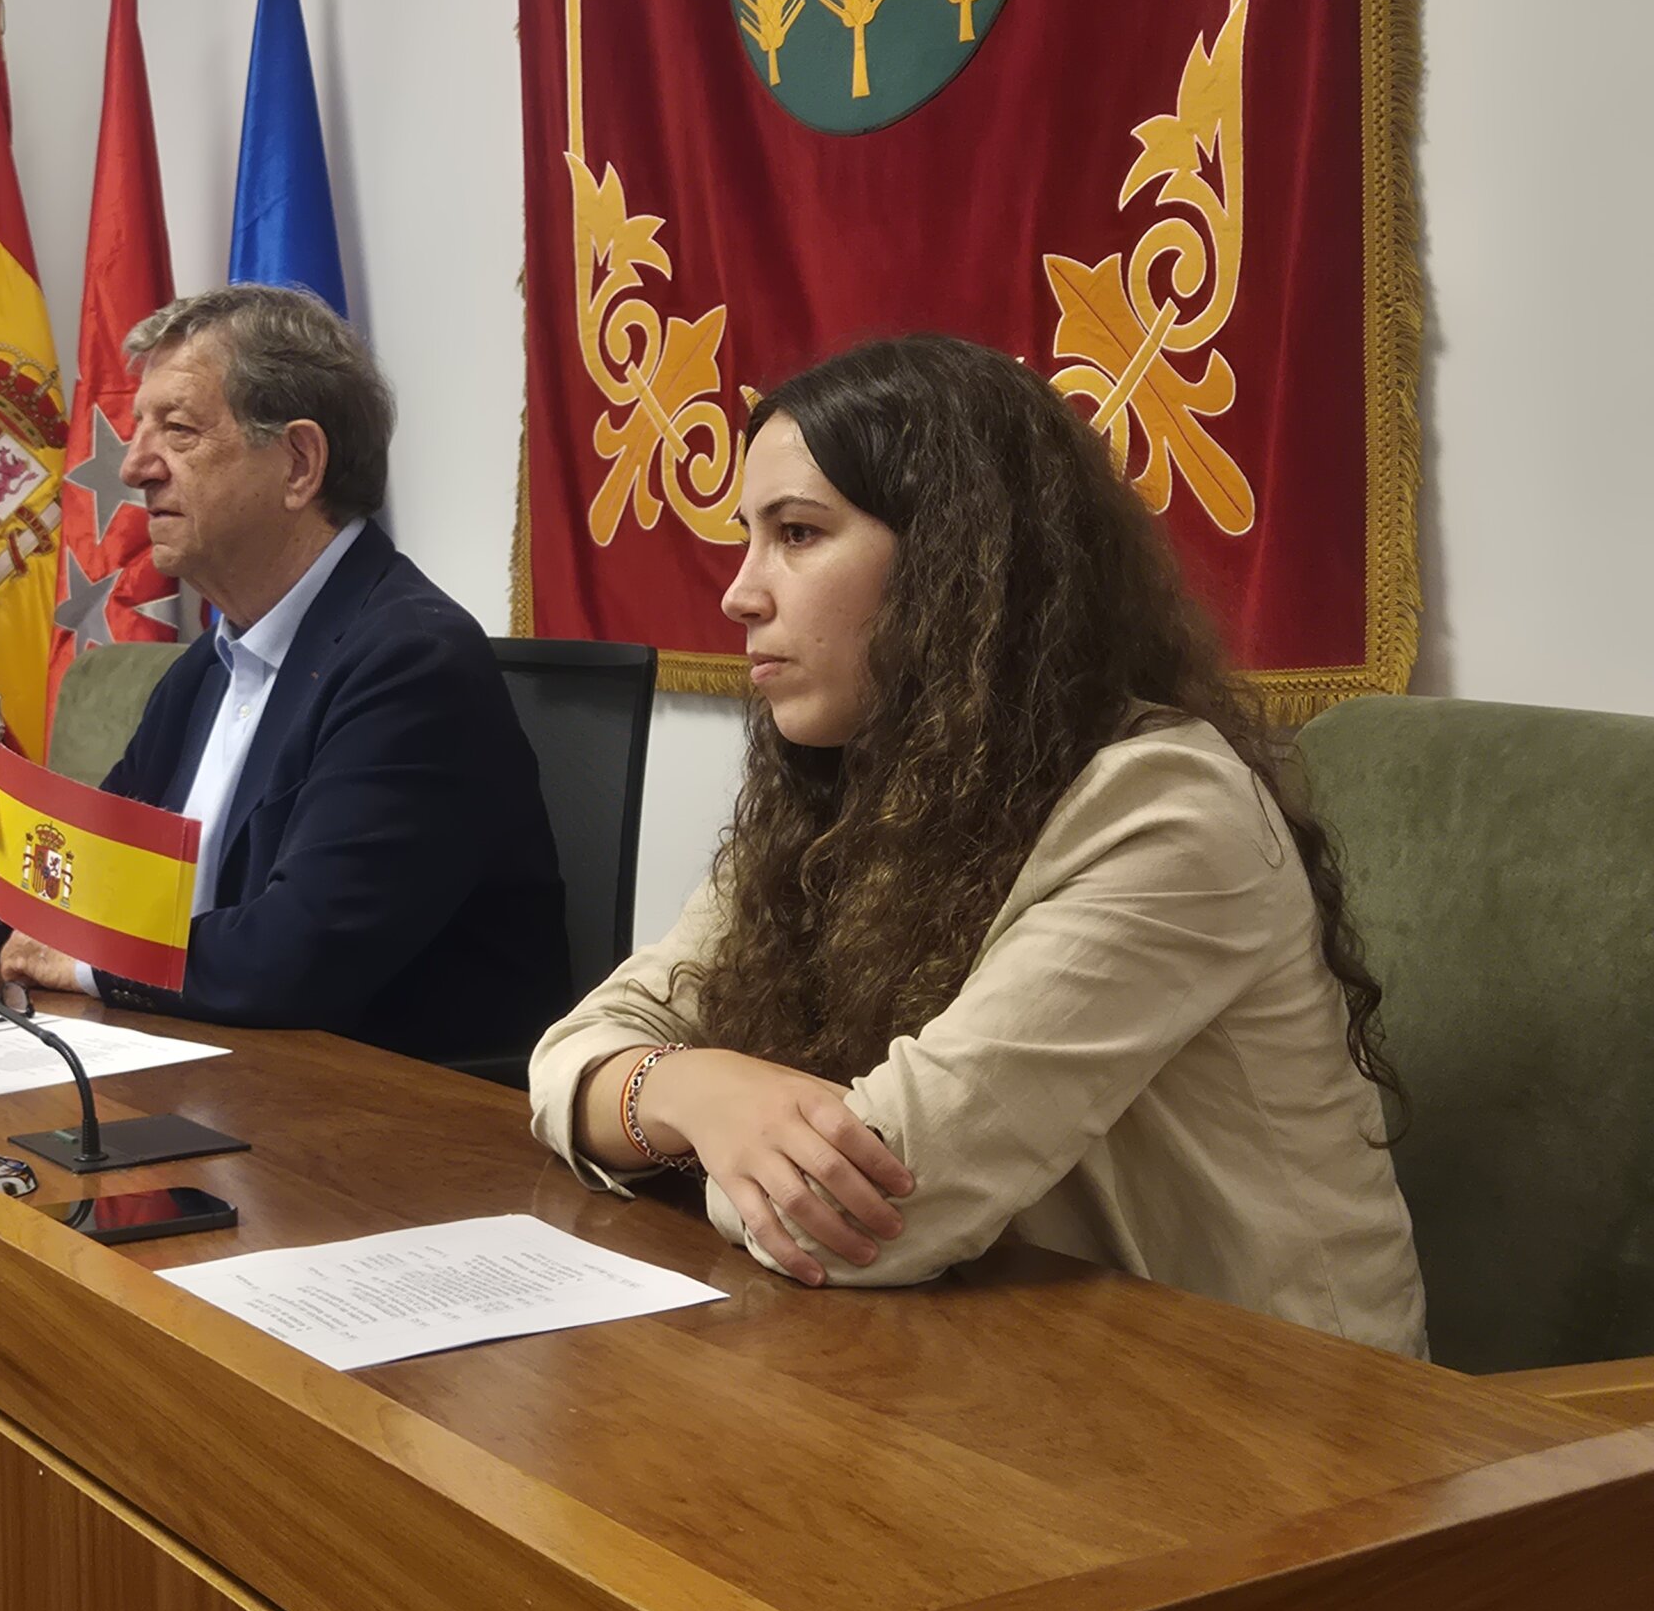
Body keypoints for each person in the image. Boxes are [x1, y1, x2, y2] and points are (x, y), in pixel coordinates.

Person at [531, 335, 1428, 1356]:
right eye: (749, 537)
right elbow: (568, 1057)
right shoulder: (843, 789)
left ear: (955, 563)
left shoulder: (1165, 808)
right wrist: (696, 1091)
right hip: (1002, 1357)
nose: (741, 591)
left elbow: (878, 1213)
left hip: (1282, 1423)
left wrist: (685, 1119)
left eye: (796, 533)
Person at [0, 284, 570, 1067]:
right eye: (138, 431)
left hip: (379, 1122)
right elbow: (60, 876)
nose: (132, 467)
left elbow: (297, 956)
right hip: (210, 1065)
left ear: (298, 463)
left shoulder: (405, 660)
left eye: (176, 430)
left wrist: (89, 963)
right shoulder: (209, 669)